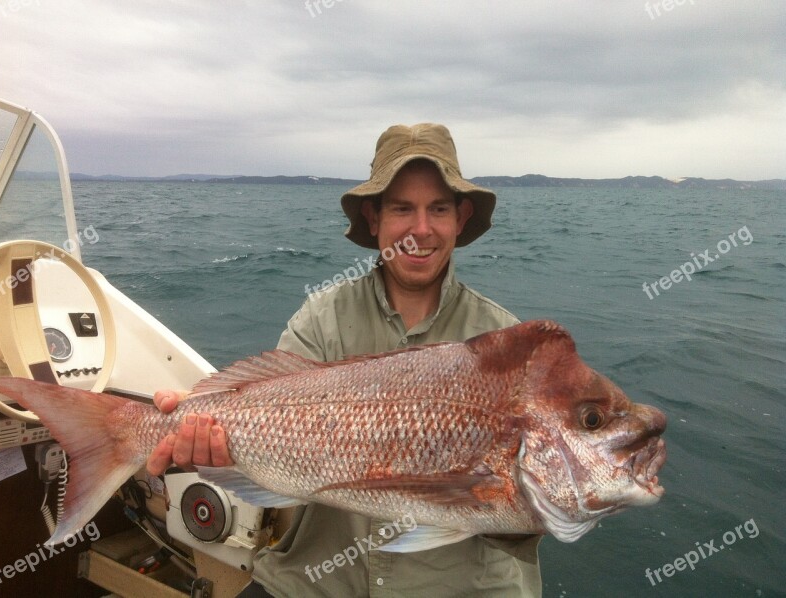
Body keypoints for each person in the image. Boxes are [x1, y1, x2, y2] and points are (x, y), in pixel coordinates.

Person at [147, 123, 543, 596]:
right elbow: (265, 421)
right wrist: (200, 432)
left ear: (461, 217)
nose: (421, 228)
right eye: (402, 208)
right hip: (315, 580)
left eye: (438, 208)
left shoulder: (510, 348)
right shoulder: (321, 318)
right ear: (374, 219)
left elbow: (535, 513)